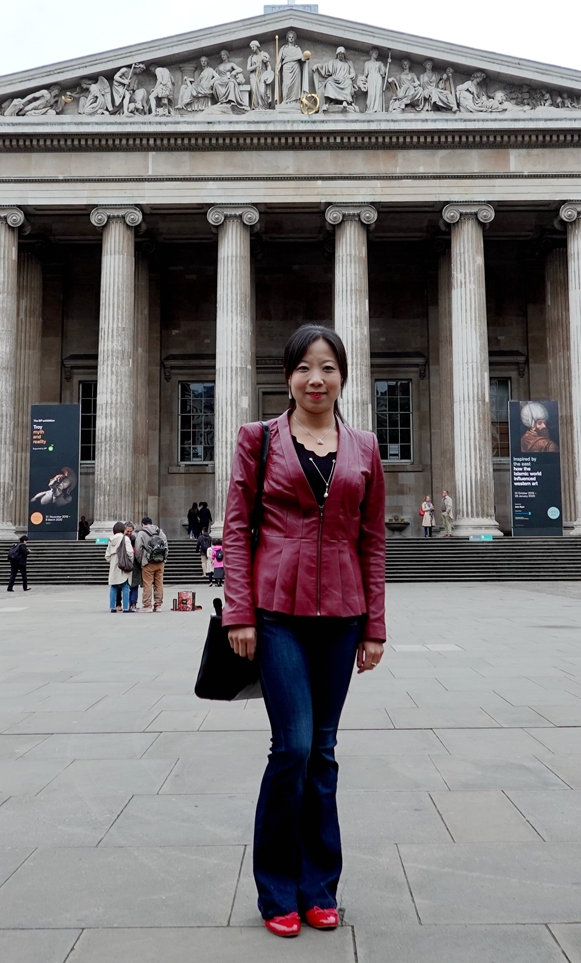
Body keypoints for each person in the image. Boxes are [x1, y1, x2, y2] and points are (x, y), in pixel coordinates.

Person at [223, 323, 387, 938]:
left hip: (342, 615)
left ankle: (320, 888)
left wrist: (375, 626)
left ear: (343, 377)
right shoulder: (257, 440)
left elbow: (372, 541)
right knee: (291, 748)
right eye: (303, 368)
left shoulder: (365, 447)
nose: (315, 380)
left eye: (328, 368)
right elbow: (237, 530)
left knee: (322, 753)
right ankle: (276, 891)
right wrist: (239, 612)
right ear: (287, 376)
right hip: (276, 613)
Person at [137, 516, 169, 611]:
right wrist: (164, 559)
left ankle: (147, 605)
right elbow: (166, 546)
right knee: (159, 583)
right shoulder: (161, 532)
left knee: (148, 583)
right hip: (160, 562)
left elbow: (138, 549)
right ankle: (158, 605)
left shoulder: (142, 533)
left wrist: (141, 560)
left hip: (148, 562)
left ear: (143, 524)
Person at [106, 520, 136, 611]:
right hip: (123, 565)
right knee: (125, 586)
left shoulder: (111, 540)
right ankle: (126, 608)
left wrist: (112, 561)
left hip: (114, 566)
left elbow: (107, 556)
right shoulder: (125, 539)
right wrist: (130, 561)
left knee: (113, 586)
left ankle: (112, 607)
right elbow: (130, 553)